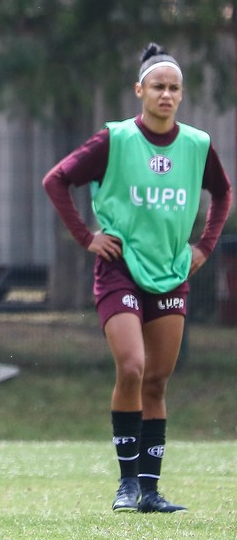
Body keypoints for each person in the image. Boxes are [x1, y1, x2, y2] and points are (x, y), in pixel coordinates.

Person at [42, 42, 231, 514]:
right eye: (158, 86)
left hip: (171, 272)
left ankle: (150, 490)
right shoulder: (116, 139)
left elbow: (223, 193)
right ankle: (126, 484)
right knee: (131, 367)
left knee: (157, 382)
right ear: (140, 90)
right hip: (120, 269)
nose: (166, 95)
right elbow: (56, 180)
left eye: (174, 88)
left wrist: (204, 247)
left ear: (181, 96)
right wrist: (86, 237)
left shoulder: (196, 144)